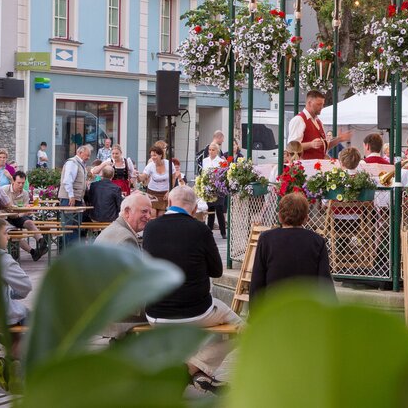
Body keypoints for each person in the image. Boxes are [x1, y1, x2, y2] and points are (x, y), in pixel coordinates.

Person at [142, 185, 241, 393]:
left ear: (168, 203)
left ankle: (191, 372)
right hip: (197, 310)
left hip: (155, 312)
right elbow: (216, 270)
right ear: (194, 209)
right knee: (240, 329)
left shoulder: (150, 228)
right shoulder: (200, 229)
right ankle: (193, 369)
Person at [249, 193, 334, 303]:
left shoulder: (266, 239)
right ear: (306, 218)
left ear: (279, 216)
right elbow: (324, 284)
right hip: (306, 310)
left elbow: (257, 280)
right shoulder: (317, 241)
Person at [287, 90, 351, 161]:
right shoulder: (299, 120)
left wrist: (338, 139)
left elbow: (323, 147)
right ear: (309, 103)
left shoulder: (318, 121)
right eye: (318, 104)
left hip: (318, 165)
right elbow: (292, 147)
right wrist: (310, 144)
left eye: (322, 104)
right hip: (306, 166)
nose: (321, 107)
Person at [0, 218, 32, 328]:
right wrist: (11, 295)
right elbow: (26, 286)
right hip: (0, 316)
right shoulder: (2, 259)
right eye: (5, 233)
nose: (8, 237)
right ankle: (18, 344)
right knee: (30, 316)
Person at [2, 170, 47, 261]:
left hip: (18, 216)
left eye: (23, 183)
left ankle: (42, 242)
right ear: (13, 181)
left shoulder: (25, 193)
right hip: (5, 216)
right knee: (15, 235)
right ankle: (33, 252)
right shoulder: (4, 189)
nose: (21, 185)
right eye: (18, 183)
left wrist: (26, 210)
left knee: (29, 222)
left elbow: (25, 210)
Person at [139, 143, 176, 214]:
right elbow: (143, 176)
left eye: (155, 155)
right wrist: (137, 175)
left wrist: (169, 191)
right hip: (152, 192)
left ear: (160, 155)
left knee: (161, 215)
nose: (153, 157)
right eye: (151, 155)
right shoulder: (150, 165)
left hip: (164, 193)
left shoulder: (169, 164)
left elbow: (173, 178)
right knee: (152, 214)